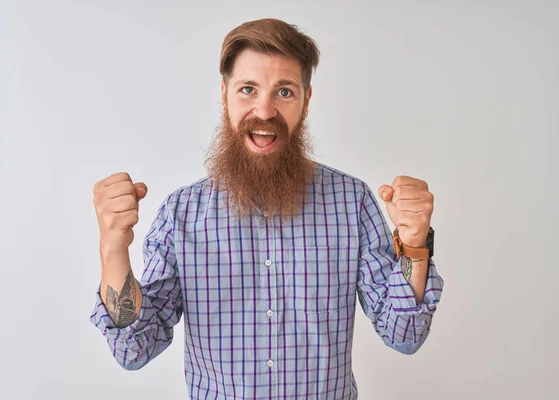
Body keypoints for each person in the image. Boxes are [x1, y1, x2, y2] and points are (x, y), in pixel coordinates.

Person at [90, 17, 444, 400]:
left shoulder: (351, 202)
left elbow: (404, 335)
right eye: (247, 89)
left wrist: (414, 244)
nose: (265, 110)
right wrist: (112, 248)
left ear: (306, 101)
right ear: (224, 94)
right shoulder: (181, 215)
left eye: (284, 92)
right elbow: (134, 351)